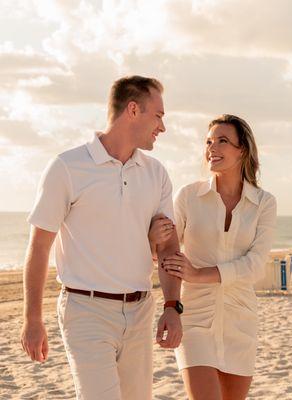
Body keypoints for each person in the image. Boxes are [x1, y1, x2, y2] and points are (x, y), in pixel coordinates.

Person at [20, 75, 183, 400]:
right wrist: (32, 318)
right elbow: (39, 247)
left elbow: (167, 248)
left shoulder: (156, 173)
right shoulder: (68, 167)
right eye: (159, 115)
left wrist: (172, 306)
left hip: (140, 310)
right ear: (133, 109)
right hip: (85, 310)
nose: (163, 126)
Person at [150, 114, 277, 400]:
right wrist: (152, 240)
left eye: (222, 141)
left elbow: (255, 265)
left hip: (240, 321)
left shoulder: (264, 203)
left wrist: (198, 274)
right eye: (208, 142)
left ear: (242, 150)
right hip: (194, 319)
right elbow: (167, 253)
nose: (212, 148)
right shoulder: (188, 197)